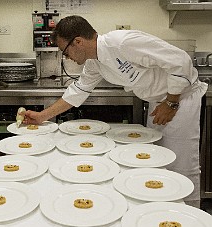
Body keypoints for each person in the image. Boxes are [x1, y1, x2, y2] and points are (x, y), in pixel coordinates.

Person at [23, 15, 208, 208]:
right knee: (158, 161)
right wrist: (42, 116)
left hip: (182, 100)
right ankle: (161, 208)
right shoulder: (95, 62)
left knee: (181, 164)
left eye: (65, 51)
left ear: (77, 41)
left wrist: (171, 103)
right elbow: (78, 90)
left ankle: (189, 212)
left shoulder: (123, 42)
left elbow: (181, 60)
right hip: (159, 103)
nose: (66, 57)